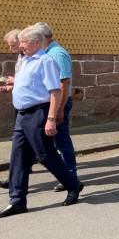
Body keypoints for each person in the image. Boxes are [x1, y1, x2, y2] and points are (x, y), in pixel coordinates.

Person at [0, 26, 83, 218]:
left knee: (45, 155)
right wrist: (11, 87)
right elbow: (27, 85)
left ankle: (73, 185)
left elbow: (55, 92)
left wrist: (51, 119)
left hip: (38, 114)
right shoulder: (25, 60)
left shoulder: (45, 61)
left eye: (23, 42)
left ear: (35, 43)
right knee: (18, 157)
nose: (20, 46)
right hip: (22, 116)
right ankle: (17, 201)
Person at [35, 22, 81, 190]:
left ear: (42, 38)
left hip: (60, 103)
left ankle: (71, 177)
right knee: (54, 142)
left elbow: (64, 82)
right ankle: (66, 176)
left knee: (62, 142)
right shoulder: (46, 53)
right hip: (51, 104)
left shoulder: (57, 53)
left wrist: (60, 108)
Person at [0, 29, 24, 190]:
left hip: (30, 108)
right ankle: (15, 180)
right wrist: (10, 87)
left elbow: (33, 81)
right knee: (20, 145)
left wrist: (16, 80)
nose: (10, 49)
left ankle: (71, 182)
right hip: (20, 106)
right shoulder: (21, 56)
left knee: (44, 150)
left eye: (12, 45)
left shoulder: (34, 58)